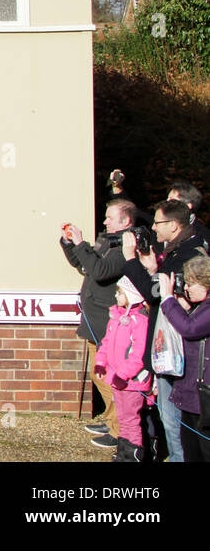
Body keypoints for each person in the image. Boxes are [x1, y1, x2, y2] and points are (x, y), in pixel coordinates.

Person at [120, 197, 209, 461]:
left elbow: (156, 294)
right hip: (173, 355)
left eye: (157, 223)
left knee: (177, 431)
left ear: (173, 225)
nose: (153, 229)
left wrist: (130, 260)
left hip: (180, 358)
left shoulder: (191, 255)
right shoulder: (178, 251)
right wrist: (153, 269)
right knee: (174, 428)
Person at [60, 199, 135, 449]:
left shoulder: (125, 246)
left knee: (108, 376)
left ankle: (119, 430)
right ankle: (113, 420)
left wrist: (82, 243)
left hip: (108, 323)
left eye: (110, 217)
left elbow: (101, 270)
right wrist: (70, 244)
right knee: (98, 373)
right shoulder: (107, 242)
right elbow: (85, 266)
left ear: (125, 221)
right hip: (94, 320)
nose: (105, 221)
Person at [157, 255, 210, 462]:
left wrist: (168, 299)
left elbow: (190, 328)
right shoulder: (202, 306)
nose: (186, 288)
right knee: (191, 449)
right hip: (194, 395)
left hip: (203, 396)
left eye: (190, 283)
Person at [94, 276, 152, 462]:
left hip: (131, 382)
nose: (116, 295)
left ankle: (133, 455)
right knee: (123, 418)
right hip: (117, 378)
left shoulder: (139, 321)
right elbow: (106, 342)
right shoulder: (117, 317)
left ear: (131, 295)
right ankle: (124, 452)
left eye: (120, 292)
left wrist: (123, 374)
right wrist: (101, 362)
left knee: (130, 420)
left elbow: (138, 355)